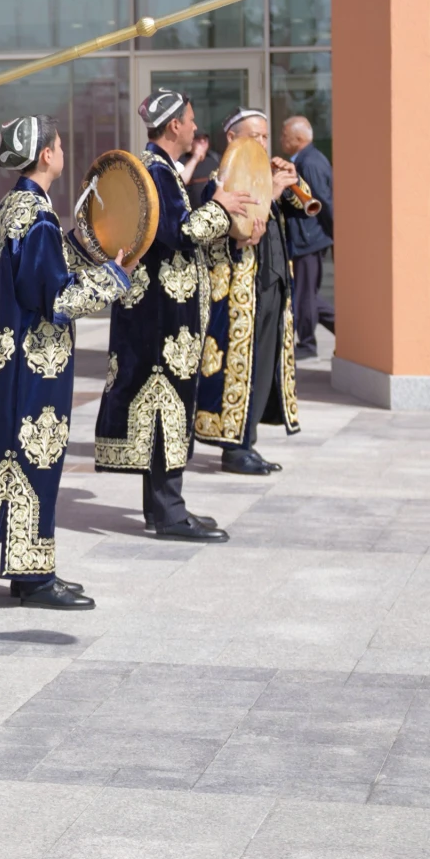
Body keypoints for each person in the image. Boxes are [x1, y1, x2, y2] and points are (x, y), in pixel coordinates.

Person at [0, 116, 131, 609]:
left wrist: (81, 249)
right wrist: (114, 278)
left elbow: (37, 269)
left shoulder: (15, 205)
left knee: (15, 455)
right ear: (46, 156)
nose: (61, 152)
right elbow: (55, 296)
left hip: (4, 360)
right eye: (57, 145)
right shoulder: (34, 215)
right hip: (29, 366)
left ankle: (28, 570)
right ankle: (34, 578)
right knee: (32, 457)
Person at [94, 88, 253, 539]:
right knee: (165, 408)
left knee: (167, 407)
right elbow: (179, 233)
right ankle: (168, 513)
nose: (194, 123)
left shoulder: (158, 170)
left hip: (160, 315)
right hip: (160, 318)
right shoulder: (157, 173)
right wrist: (220, 207)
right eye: (189, 117)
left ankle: (167, 506)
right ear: (173, 127)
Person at [193, 109, 304, 473]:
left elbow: (306, 209)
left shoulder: (265, 175)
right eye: (253, 136)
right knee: (237, 369)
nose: (261, 143)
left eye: (264, 136)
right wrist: (270, 191)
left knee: (262, 367)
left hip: (271, 285)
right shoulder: (218, 183)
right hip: (239, 293)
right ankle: (233, 448)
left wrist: (291, 180)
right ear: (233, 140)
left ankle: (248, 440)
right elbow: (234, 229)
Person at [280, 115, 335, 358]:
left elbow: (322, 201)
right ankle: (343, 328)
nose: (281, 139)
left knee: (304, 294)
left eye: (285, 135)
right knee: (307, 293)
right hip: (307, 238)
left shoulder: (309, 163)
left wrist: (335, 233)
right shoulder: (305, 159)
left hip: (309, 238)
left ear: (299, 139)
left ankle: (308, 343)